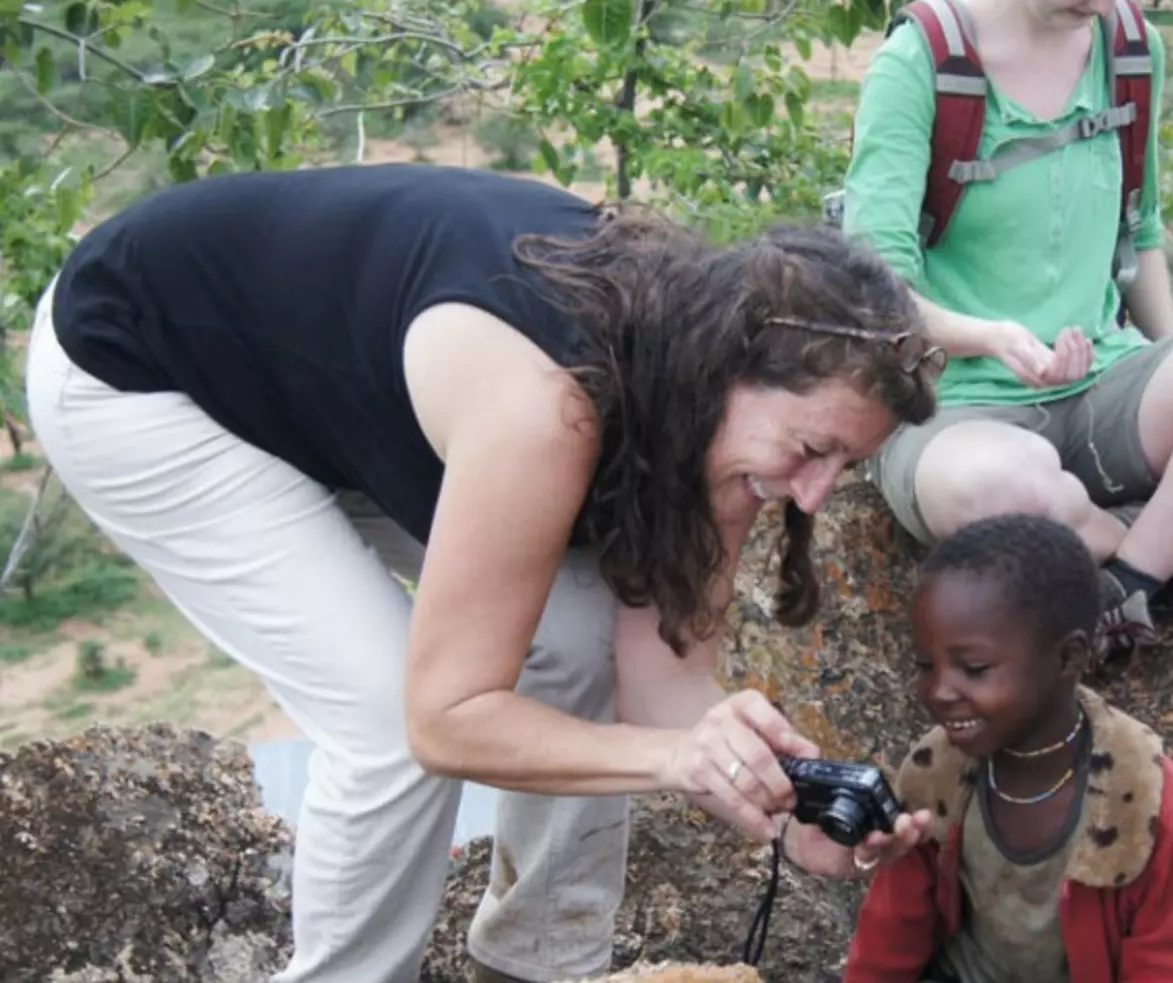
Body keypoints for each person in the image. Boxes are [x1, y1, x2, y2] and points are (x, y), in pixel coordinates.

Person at [22, 162, 944, 983]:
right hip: (143, 371)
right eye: (813, 447)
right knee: (386, 714)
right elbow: (444, 720)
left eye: (845, 466)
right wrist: (675, 757)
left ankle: (540, 962)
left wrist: (786, 808)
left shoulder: (720, 426)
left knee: (577, 632)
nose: (815, 494)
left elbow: (662, 680)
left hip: (339, 399)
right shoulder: (546, 410)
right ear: (734, 366)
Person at [839, 0, 1173, 664]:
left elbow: (1143, 226)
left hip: (1104, 381)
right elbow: (875, 282)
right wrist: (991, 336)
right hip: (956, 405)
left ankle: (1129, 581)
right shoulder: (923, 58)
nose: (1105, 3)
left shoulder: (1130, 47)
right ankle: (1171, 532)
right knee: (992, 489)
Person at [841, 512, 1173, 983]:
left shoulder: (1140, 792)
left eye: (973, 669)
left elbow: (1168, 959)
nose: (940, 690)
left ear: (1068, 658)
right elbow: (892, 929)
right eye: (924, 665)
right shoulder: (935, 774)